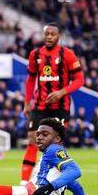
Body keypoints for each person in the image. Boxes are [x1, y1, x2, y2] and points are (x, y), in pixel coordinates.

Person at [21, 22, 84, 185]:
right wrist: (27, 103)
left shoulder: (67, 54)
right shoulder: (35, 55)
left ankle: (58, 181)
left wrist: (62, 92)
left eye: (52, 34)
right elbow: (30, 79)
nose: (49, 36)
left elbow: (79, 80)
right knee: (32, 139)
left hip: (61, 107)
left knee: (56, 143)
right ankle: (23, 183)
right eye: (46, 33)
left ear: (59, 36)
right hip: (40, 105)